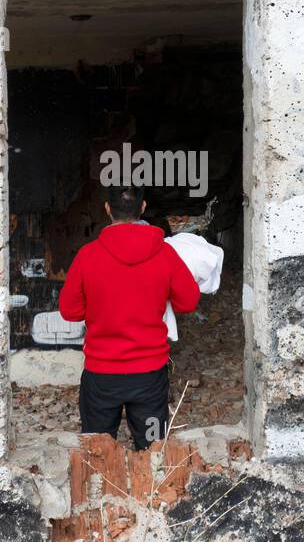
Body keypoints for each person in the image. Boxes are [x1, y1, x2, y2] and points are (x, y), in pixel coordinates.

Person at [58, 184, 200, 449]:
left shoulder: (88, 256)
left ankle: (100, 490)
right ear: (143, 208)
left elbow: (70, 311)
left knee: (96, 450)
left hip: (101, 375)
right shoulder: (166, 254)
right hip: (149, 375)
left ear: (108, 209)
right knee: (153, 448)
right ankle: (153, 489)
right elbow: (188, 301)